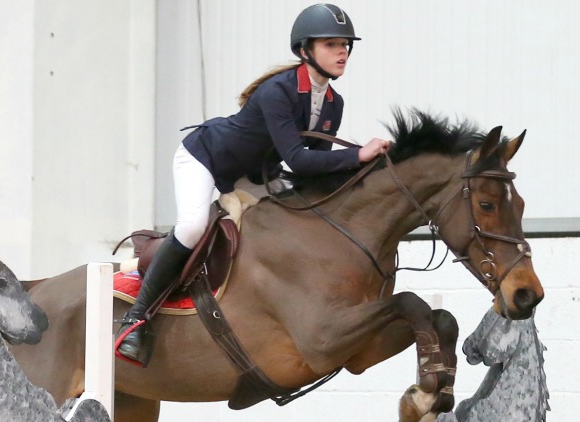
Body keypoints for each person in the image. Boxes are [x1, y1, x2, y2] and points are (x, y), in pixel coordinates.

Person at [117, 3, 392, 364]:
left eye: (345, 45)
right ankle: (135, 319)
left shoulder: (332, 103)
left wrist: (374, 172)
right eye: (331, 44)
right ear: (304, 50)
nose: (342, 52)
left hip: (252, 174)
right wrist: (357, 155)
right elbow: (298, 159)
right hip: (205, 157)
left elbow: (316, 171)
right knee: (192, 225)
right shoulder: (277, 91)